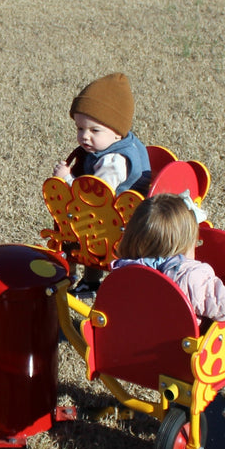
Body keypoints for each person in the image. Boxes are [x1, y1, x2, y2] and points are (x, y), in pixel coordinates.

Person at [112, 193, 225, 434]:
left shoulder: (124, 270)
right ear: (186, 242)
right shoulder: (189, 276)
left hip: (134, 356)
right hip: (185, 360)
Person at [52, 73, 152, 297]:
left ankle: (74, 278)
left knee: (79, 234)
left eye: (94, 130)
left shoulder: (113, 161)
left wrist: (66, 179)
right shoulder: (119, 143)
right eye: (79, 128)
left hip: (118, 222)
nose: (84, 137)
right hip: (115, 218)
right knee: (90, 236)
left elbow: (95, 196)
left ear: (117, 132)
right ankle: (90, 282)